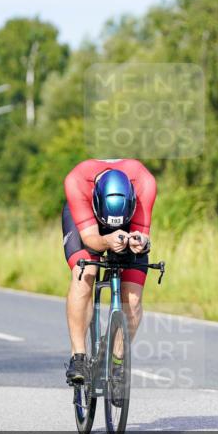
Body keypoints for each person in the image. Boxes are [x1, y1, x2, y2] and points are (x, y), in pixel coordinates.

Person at [62, 159, 156, 385]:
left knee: (132, 300)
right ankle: (79, 356)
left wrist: (139, 242)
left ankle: (116, 360)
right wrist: (106, 240)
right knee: (86, 271)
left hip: (129, 219)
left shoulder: (145, 182)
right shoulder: (76, 181)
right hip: (87, 224)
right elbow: (90, 239)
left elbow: (143, 234)